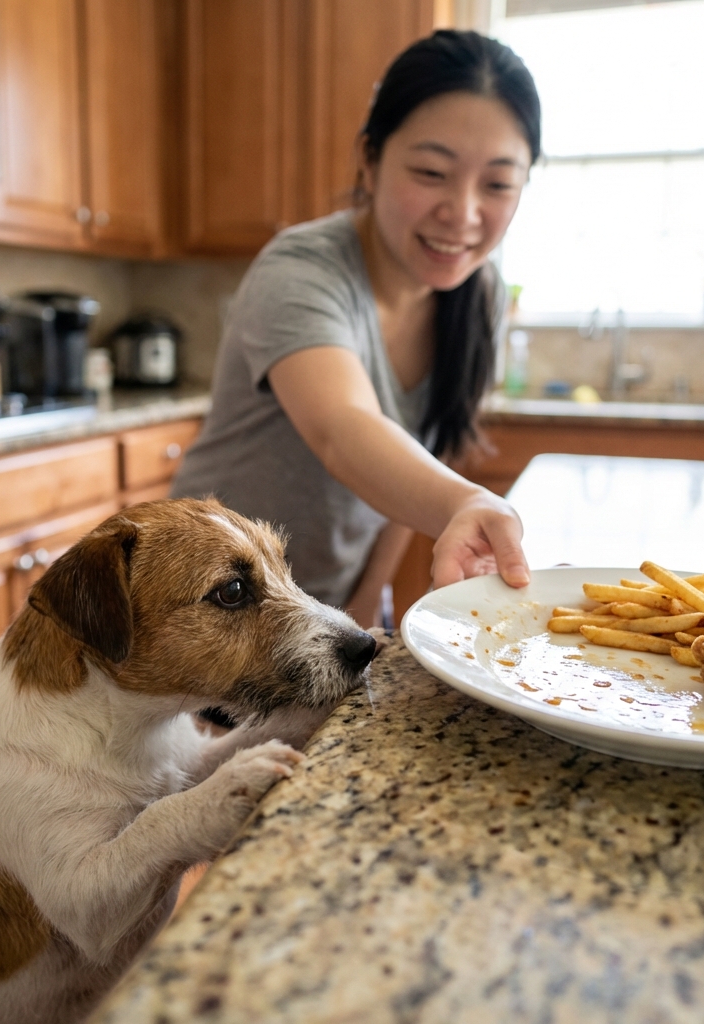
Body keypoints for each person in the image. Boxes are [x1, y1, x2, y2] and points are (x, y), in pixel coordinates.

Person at [171, 29, 541, 628]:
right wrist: (466, 501)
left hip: (325, 611)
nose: (463, 213)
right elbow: (344, 429)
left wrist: (366, 603)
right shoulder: (301, 268)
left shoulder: (479, 297)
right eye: (430, 171)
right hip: (210, 608)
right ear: (369, 160)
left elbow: (416, 468)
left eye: (498, 183)